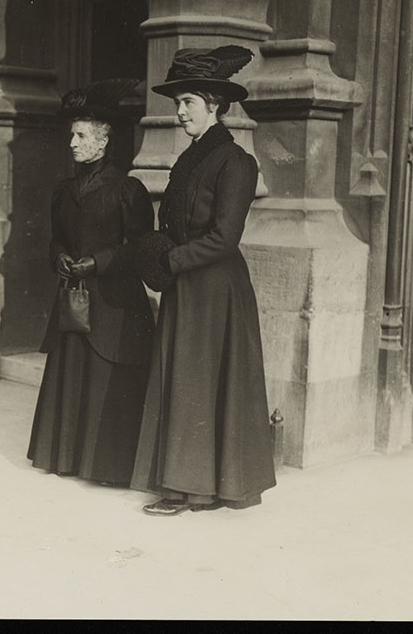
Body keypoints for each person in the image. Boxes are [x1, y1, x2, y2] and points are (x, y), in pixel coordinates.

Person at [130, 46, 277, 515]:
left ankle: (195, 489)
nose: (178, 112)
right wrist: (157, 253)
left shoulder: (235, 162)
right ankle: (182, 483)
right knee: (183, 378)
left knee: (200, 381)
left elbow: (224, 238)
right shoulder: (190, 159)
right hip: (185, 284)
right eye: (178, 103)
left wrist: (170, 261)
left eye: (187, 102)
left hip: (215, 289)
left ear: (213, 104)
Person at [27, 79, 155, 487]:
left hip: (114, 302)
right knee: (73, 371)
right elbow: (56, 239)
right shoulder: (63, 191)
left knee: (105, 380)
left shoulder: (127, 190)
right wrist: (60, 257)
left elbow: (139, 248)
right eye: (72, 135)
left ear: (102, 142)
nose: (72, 143)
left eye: (80, 136)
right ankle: (66, 457)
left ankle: (104, 466)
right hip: (74, 301)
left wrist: (96, 263)